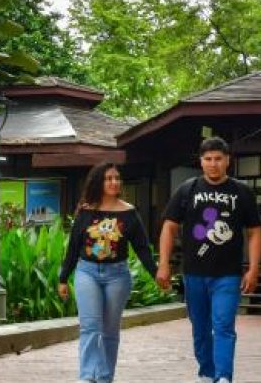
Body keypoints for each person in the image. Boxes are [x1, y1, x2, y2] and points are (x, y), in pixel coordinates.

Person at [158, 137, 261, 383]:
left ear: (228, 161)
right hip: (194, 272)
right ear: (201, 161)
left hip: (228, 274)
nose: (213, 164)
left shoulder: (241, 192)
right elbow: (169, 227)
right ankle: (207, 372)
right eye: (208, 159)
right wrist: (164, 263)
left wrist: (253, 269)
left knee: (223, 325)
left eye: (218, 159)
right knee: (200, 327)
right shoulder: (188, 189)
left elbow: (254, 232)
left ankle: (223, 376)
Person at [58, 162, 159, 383]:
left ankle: (104, 377)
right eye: (108, 178)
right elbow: (73, 247)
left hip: (117, 276)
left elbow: (142, 247)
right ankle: (87, 376)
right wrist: (63, 278)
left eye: (117, 178)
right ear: (98, 182)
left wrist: (156, 274)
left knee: (110, 330)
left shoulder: (129, 212)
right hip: (87, 273)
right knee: (90, 326)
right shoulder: (86, 211)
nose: (114, 182)